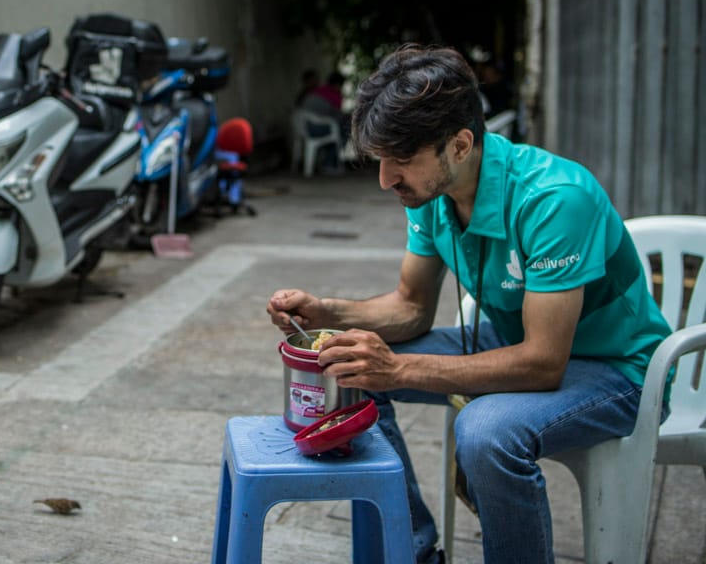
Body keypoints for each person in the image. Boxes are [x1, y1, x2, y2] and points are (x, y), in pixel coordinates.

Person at [267, 45, 670, 564]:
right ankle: (410, 551)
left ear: (459, 145)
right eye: (381, 159)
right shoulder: (431, 195)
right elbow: (411, 308)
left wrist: (401, 367)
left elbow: (544, 364)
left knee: (483, 433)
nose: (386, 179)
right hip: (518, 340)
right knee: (350, 365)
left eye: (402, 160)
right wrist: (326, 313)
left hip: (622, 371)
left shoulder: (554, 199)